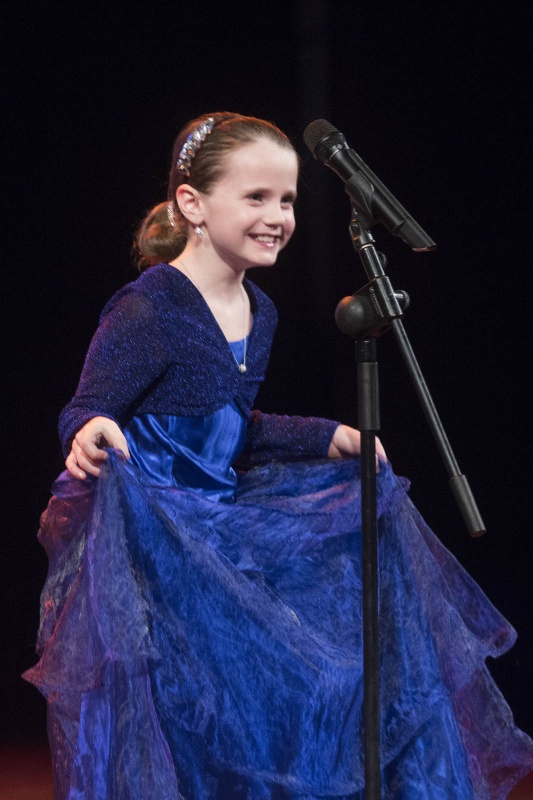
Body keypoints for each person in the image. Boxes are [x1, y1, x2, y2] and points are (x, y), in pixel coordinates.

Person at [24, 112, 533, 800]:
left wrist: (327, 435)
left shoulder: (258, 310)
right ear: (191, 204)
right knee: (201, 723)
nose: (277, 216)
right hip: (160, 553)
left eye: (287, 199)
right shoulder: (147, 308)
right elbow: (85, 408)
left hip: (222, 538)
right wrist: (86, 431)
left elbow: (235, 425)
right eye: (256, 198)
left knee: (323, 656)